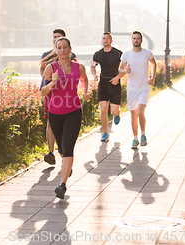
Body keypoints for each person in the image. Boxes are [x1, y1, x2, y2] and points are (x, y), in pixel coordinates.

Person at [40, 37, 90, 199]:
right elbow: (42, 92)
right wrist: (51, 83)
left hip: (74, 111)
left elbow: (85, 79)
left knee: (68, 148)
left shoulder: (79, 67)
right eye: (59, 48)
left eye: (65, 47)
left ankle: (62, 185)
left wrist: (85, 91)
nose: (62, 50)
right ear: (56, 50)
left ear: (70, 49)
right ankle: (66, 166)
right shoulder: (50, 68)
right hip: (55, 113)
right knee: (61, 149)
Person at [39, 29, 77, 165]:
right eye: (54, 37)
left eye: (59, 37)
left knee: (64, 126)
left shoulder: (71, 56)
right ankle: (51, 152)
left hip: (67, 96)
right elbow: (43, 75)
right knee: (50, 122)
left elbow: (76, 73)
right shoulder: (46, 56)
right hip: (51, 92)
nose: (56, 39)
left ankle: (64, 155)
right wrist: (48, 84)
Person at [119, 31, 156, 149]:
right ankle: (135, 139)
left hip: (144, 87)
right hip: (132, 89)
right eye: (134, 38)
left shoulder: (147, 53)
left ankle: (143, 135)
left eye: (138, 38)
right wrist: (126, 71)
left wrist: (152, 77)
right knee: (133, 115)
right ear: (131, 40)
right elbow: (120, 70)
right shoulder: (126, 55)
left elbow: (153, 64)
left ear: (141, 40)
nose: (136, 40)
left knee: (140, 112)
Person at [91, 32, 123, 142]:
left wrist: (118, 77)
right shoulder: (98, 54)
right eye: (103, 38)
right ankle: (105, 133)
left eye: (108, 38)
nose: (105, 40)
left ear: (111, 41)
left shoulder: (118, 54)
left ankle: (116, 114)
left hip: (115, 84)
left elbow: (124, 69)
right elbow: (92, 66)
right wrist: (94, 74)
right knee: (103, 110)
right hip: (103, 85)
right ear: (101, 40)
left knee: (114, 111)